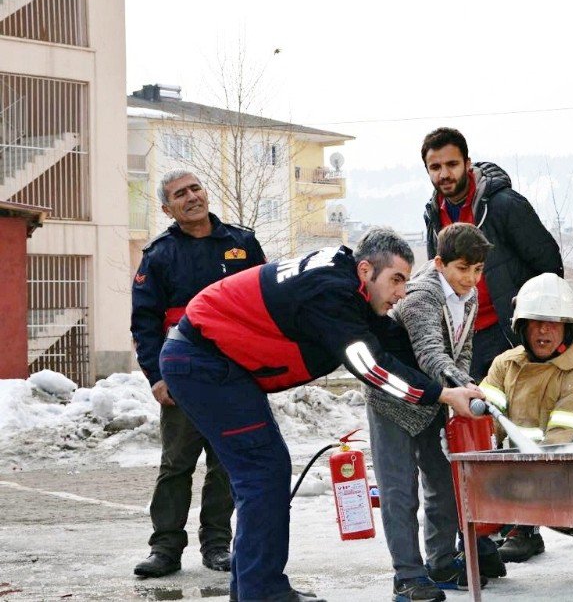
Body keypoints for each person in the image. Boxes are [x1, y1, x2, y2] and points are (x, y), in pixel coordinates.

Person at [158, 228, 485, 602]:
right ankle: (261, 591)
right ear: (366, 270)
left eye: (406, 281)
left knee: (264, 470)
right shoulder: (331, 293)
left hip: (217, 362)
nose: (401, 293)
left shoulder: (348, 284)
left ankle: (254, 588)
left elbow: (390, 342)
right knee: (263, 471)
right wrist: (440, 394)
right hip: (203, 361)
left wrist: (456, 386)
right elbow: (371, 367)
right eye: (396, 280)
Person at [131, 169, 266, 578]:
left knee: (226, 462)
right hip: (183, 379)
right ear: (166, 208)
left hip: (234, 376)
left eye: (195, 188)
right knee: (176, 465)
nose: (191, 197)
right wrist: (157, 377)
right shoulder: (159, 255)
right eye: (179, 194)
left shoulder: (242, 243)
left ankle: (218, 545)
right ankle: (165, 549)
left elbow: (266, 303)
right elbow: (144, 323)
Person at [368, 223, 499, 602]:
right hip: (394, 399)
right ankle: (407, 576)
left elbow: (463, 350)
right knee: (399, 491)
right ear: (440, 263)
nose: (471, 279)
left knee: (442, 482)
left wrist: (464, 383)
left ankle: (441, 562)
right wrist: (462, 388)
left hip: (436, 399)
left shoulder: (469, 294)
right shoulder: (423, 294)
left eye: (478, 270)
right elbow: (430, 354)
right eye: (463, 269)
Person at [478, 273, 573, 580]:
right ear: (521, 325)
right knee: (473, 496)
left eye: (553, 323)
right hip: (518, 469)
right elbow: (485, 421)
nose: (544, 330)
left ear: (567, 328)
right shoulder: (506, 364)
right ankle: (485, 556)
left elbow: (560, 443)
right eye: (535, 321)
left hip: (572, 473)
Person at [421, 127, 563, 380]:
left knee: (518, 415)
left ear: (467, 164)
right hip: (465, 338)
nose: (444, 174)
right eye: (435, 167)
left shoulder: (503, 205)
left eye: (452, 164)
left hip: (509, 332)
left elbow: (549, 264)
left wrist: (533, 323)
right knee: (477, 415)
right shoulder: (432, 215)